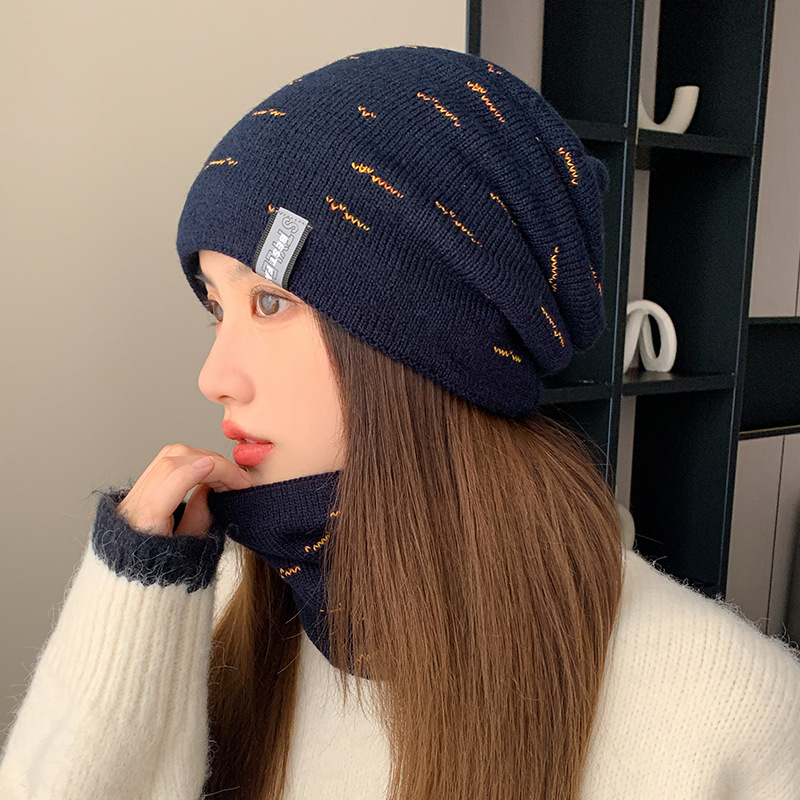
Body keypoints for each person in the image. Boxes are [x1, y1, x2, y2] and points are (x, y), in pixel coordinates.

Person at [0, 43, 798, 800]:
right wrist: (136, 598)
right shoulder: (215, 594)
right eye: (217, 309)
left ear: (434, 337)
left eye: (270, 302)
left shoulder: (722, 708)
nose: (214, 377)